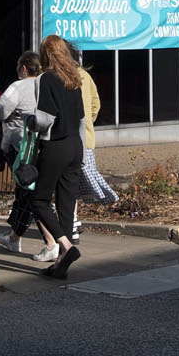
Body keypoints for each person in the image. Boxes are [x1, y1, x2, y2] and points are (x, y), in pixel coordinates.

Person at [28, 33, 86, 279]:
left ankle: (67, 247)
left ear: (46, 55)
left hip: (56, 146)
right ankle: (60, 265)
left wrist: (28, 120)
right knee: (66, 205)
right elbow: (82, 119)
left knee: (39, 200)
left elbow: (45, 120)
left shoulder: (46, 79)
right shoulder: (74, 79)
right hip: (76, 145)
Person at [0, 51, 40, 253]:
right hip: (40, 145)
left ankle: (45, 238)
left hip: (19, 145)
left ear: (24, 68)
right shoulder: (44, 86)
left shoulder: (18, 87)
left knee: (26, 192)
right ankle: (14, 234)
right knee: (25, 190)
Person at [71, 41, 118, 239]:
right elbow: (96, 104)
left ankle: (71, 222)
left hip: (68, 139)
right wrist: (89, 122)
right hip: (86, 139)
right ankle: (73, 219)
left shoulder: (61, 78)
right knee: (75, 182)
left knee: (67, 182)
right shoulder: (86, 76)